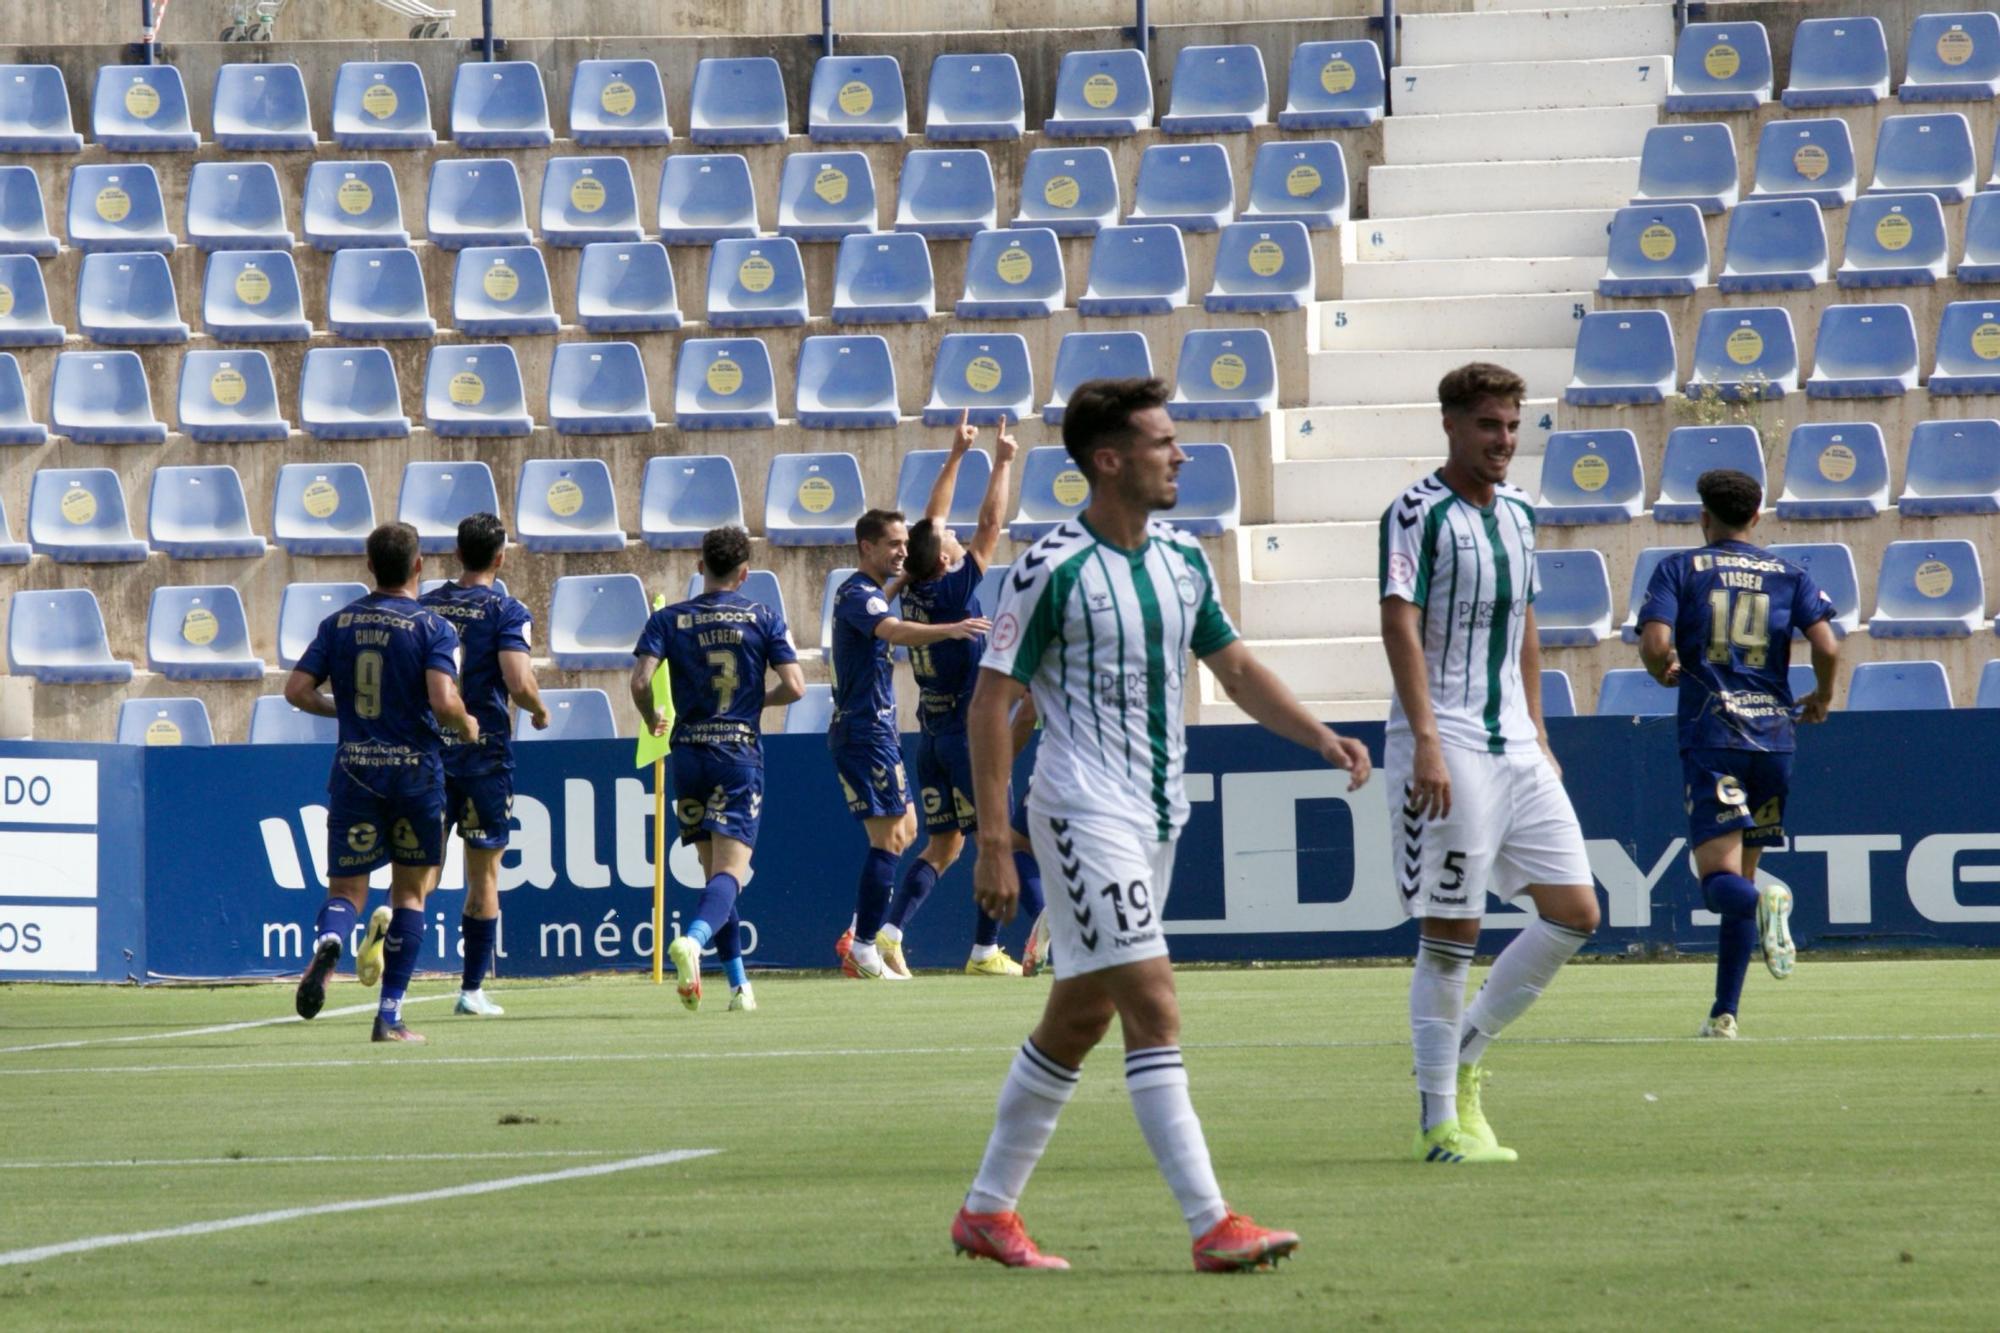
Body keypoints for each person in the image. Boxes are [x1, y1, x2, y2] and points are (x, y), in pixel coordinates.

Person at [950, 377, 1372, 1272]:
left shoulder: (1184, 559)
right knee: (1155, 1002)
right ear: (1109, 460)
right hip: (1079, 810)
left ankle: (987, 1211)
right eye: (1162, 442)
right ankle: (1212, 1221)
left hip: (1156, 816)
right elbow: (992, 703)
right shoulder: (1051, 567)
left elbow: (1238, 668)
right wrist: (993, 840)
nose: (1180, 454)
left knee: (1079, 1017)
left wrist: (1322, 736)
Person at [1379, 362, 1600, 1165]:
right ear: (1451, 425)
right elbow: (1398, 625)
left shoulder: (1518, 515)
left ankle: (1463, 1050)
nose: (1503, 440)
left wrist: (1540, 728)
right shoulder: (1414, 513)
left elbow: (1526, 623)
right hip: (1448, 742)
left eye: (1512, 426)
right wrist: (1428, 739)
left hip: (1515, 742)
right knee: (1452, 934)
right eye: (1488, 426)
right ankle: (1439, 1120)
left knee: (1576, 910)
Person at [1637, 468, 1835, 1037]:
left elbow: (1655, 643)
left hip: (1713, 735)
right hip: (1774, 738)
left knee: (1721, 880)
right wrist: (1821, 696)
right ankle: (1725, 1014)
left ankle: (1766, 898)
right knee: (1740, 877)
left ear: (1704, 516)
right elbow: (1826, 643)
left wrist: (1662, 668)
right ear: (1757, 516)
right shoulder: (1790, 574)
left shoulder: (1679, 568)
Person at [287, 522, 477, 1044]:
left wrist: (341, 711)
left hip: (354, 772)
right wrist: (465, 722)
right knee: (411, 894)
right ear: (419, 566)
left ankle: (330, 940)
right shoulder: (434, 627)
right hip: (415, 774)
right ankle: (388, 1017)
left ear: (369, 567)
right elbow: (442, 700)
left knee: (348, 890)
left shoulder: (338, 624)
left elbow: (297, 689)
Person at [879, 411, 1040, 978]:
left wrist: (954, 455)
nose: (953, 533)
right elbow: (991, 525)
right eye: (952, 540)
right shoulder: (951, 592)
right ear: (947, 560)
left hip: (931, 738)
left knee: (944, 846)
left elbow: (934, 520)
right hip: (968, 740)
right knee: (996, 837)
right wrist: (1001, 462)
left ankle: (890, 933)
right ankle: (986, 950)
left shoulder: (918, 586)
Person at [632, 525, 806, 1012]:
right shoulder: (764, 616)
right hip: (737, 754)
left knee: (713, 874)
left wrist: (651, 718)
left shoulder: (669, 619)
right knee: (732, 871)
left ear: (699, 565)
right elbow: (795, 687)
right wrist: (753, 704)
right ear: (745, 573)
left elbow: (641, 681)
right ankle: (693, 939)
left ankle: (738, 986)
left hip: (687, 753)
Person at [827, 508, 990, 981]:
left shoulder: (868, 594)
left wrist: (906, 576)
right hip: (864, 730)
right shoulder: (857, 595)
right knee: (890, 838)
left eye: (905, 543)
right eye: (893, 544)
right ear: (867, 547)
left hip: (874, 729)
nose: (902, 550)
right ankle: (861, 946)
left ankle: (862, 933)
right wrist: (951, 628)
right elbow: (893, 629)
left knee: (909, 828)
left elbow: (887, 602)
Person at [421, 513, 549, 1018]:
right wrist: (538, 709)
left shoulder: (427, 606)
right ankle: (471, 990)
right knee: (484, 875)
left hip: (430, 752)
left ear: (458, 553)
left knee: (421, 874)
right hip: (484, 754)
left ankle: (390, 918)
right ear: (500, 557)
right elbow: (517, 681)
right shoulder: (506, 609)